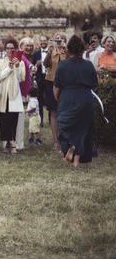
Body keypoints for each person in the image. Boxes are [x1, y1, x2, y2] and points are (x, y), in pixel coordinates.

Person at [54, 35, 98, 168]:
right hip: (85, 97)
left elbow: (56, 88)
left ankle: (70, 146)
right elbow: (94, 85)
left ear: (69, 50)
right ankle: (77, 160)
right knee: (82, 129)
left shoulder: (62, 65)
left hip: (67, 97)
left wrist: (59, 100)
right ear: (82, 50)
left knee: (64, 126)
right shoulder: (89, 65)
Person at [0, 38, 25, 153]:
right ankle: (7, 143)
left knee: (13, 119)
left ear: (15, 49)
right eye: (8, 48)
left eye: (12, 48)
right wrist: (9, 68)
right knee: (3, 119)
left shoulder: (20, 63)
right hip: (2, 94)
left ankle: (13, 142)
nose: (10, 50)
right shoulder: (0, 62)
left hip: (14, 94)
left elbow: (21, 78)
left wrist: (16, 66)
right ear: (5, 49)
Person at [43, 33, 67, 150]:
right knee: (53, 112)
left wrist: (65, 50)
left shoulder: (67, 51)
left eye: (60, 39)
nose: (58, 41)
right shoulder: (51, 51)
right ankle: (55, 141)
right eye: (56, 39)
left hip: (65, 84)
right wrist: (49, 51)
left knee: (65, 112)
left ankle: (65, 138)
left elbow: (68, 64)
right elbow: (45, 64)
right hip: (51, 82)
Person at [15, 37, 36, 150]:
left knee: (20, 117)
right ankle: (18, 142)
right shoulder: (20, 55)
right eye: (26, 45)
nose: (28, 48)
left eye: (30, 46)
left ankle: (19, 141)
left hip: (24, 90)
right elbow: (26, 62)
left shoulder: (27, 57)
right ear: (21, 46)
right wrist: (32, 66)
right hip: (18, 90)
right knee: (19, 117)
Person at [32, 35, 50, 126]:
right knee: (39, 100)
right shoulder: (36, 54)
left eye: (44, 40)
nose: (43, 42)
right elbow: (32, 68)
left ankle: (51, 121)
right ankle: (40, 120)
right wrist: (36, 64)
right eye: (41, 40)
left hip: (49, 78)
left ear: (48, 41)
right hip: (40, 78)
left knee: (50, 99)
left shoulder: (51, 52)